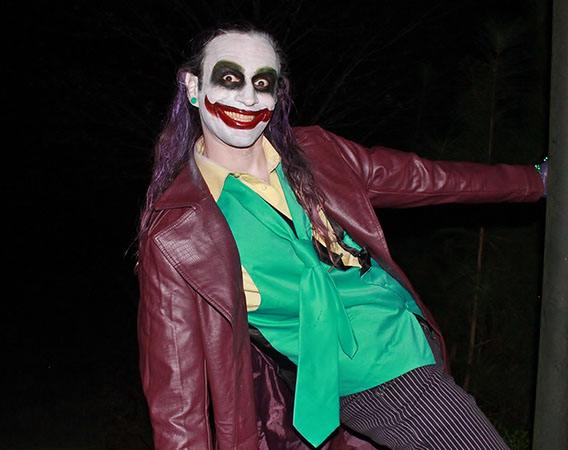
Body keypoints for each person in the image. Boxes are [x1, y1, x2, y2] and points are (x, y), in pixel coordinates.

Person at [137, 23, 546, 450]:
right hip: (361, 383)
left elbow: (427, 179)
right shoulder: (177, 233)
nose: (248, 98)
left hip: (405, 340)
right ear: (193, 87)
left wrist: (535, 181)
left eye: (262, 83)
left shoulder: (317, 153)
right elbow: (176, 395)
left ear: (278, 94)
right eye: (229, 78)